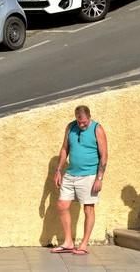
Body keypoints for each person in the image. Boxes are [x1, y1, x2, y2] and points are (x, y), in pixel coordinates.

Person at [50, 105, 108, 255]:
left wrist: (99, 178)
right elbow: (64, 149)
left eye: (84, 122)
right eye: (79, 121)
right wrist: (58, 170)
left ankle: (83, 244)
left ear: (89, 117)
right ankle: (68, 242)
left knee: (88, 208)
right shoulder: (71, 127)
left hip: (89, 175)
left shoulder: (97, 129)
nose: (81, 125)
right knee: (62, 205)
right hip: (71, 174)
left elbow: (104, 155)